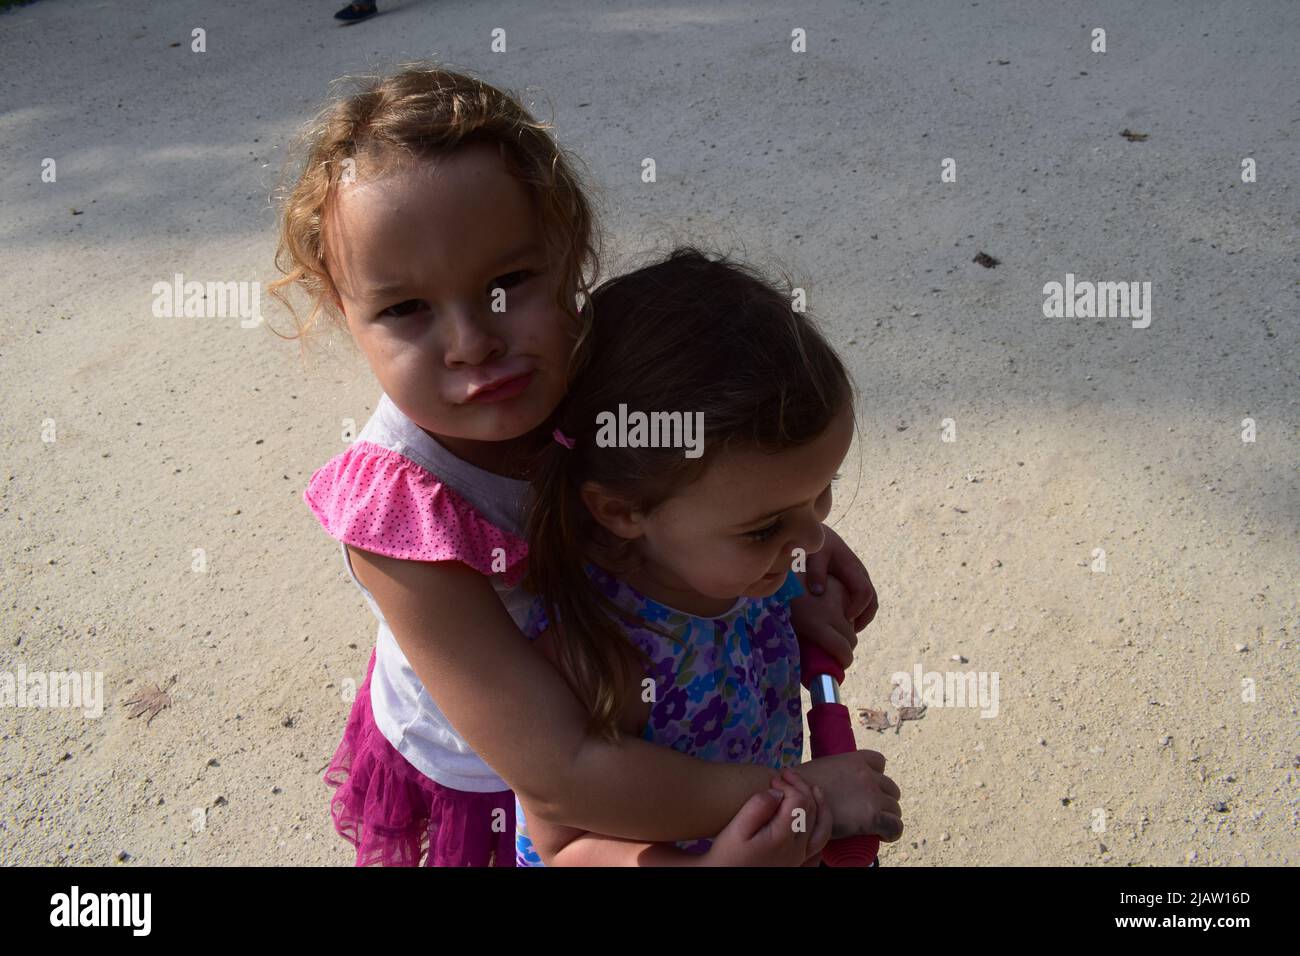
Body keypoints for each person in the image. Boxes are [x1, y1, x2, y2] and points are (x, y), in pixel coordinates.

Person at [271, 63, 897, 866]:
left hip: (640, 721)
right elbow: (561, 776)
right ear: (338, 305)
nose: (473, 343)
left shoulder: (597, 366)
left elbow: (717, 484)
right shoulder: (398, 515)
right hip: (512, 773)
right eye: (404, 308)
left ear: (569, 253)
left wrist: (794, 533)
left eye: (508, 282)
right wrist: (798, 791)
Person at [515, 247, 869, 865]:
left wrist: (790, 610)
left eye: (822, 494)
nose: (812, 540)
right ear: (624, 512)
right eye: (765, 528)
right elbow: (563, 844)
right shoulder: (598, 654)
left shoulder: (727, 568)